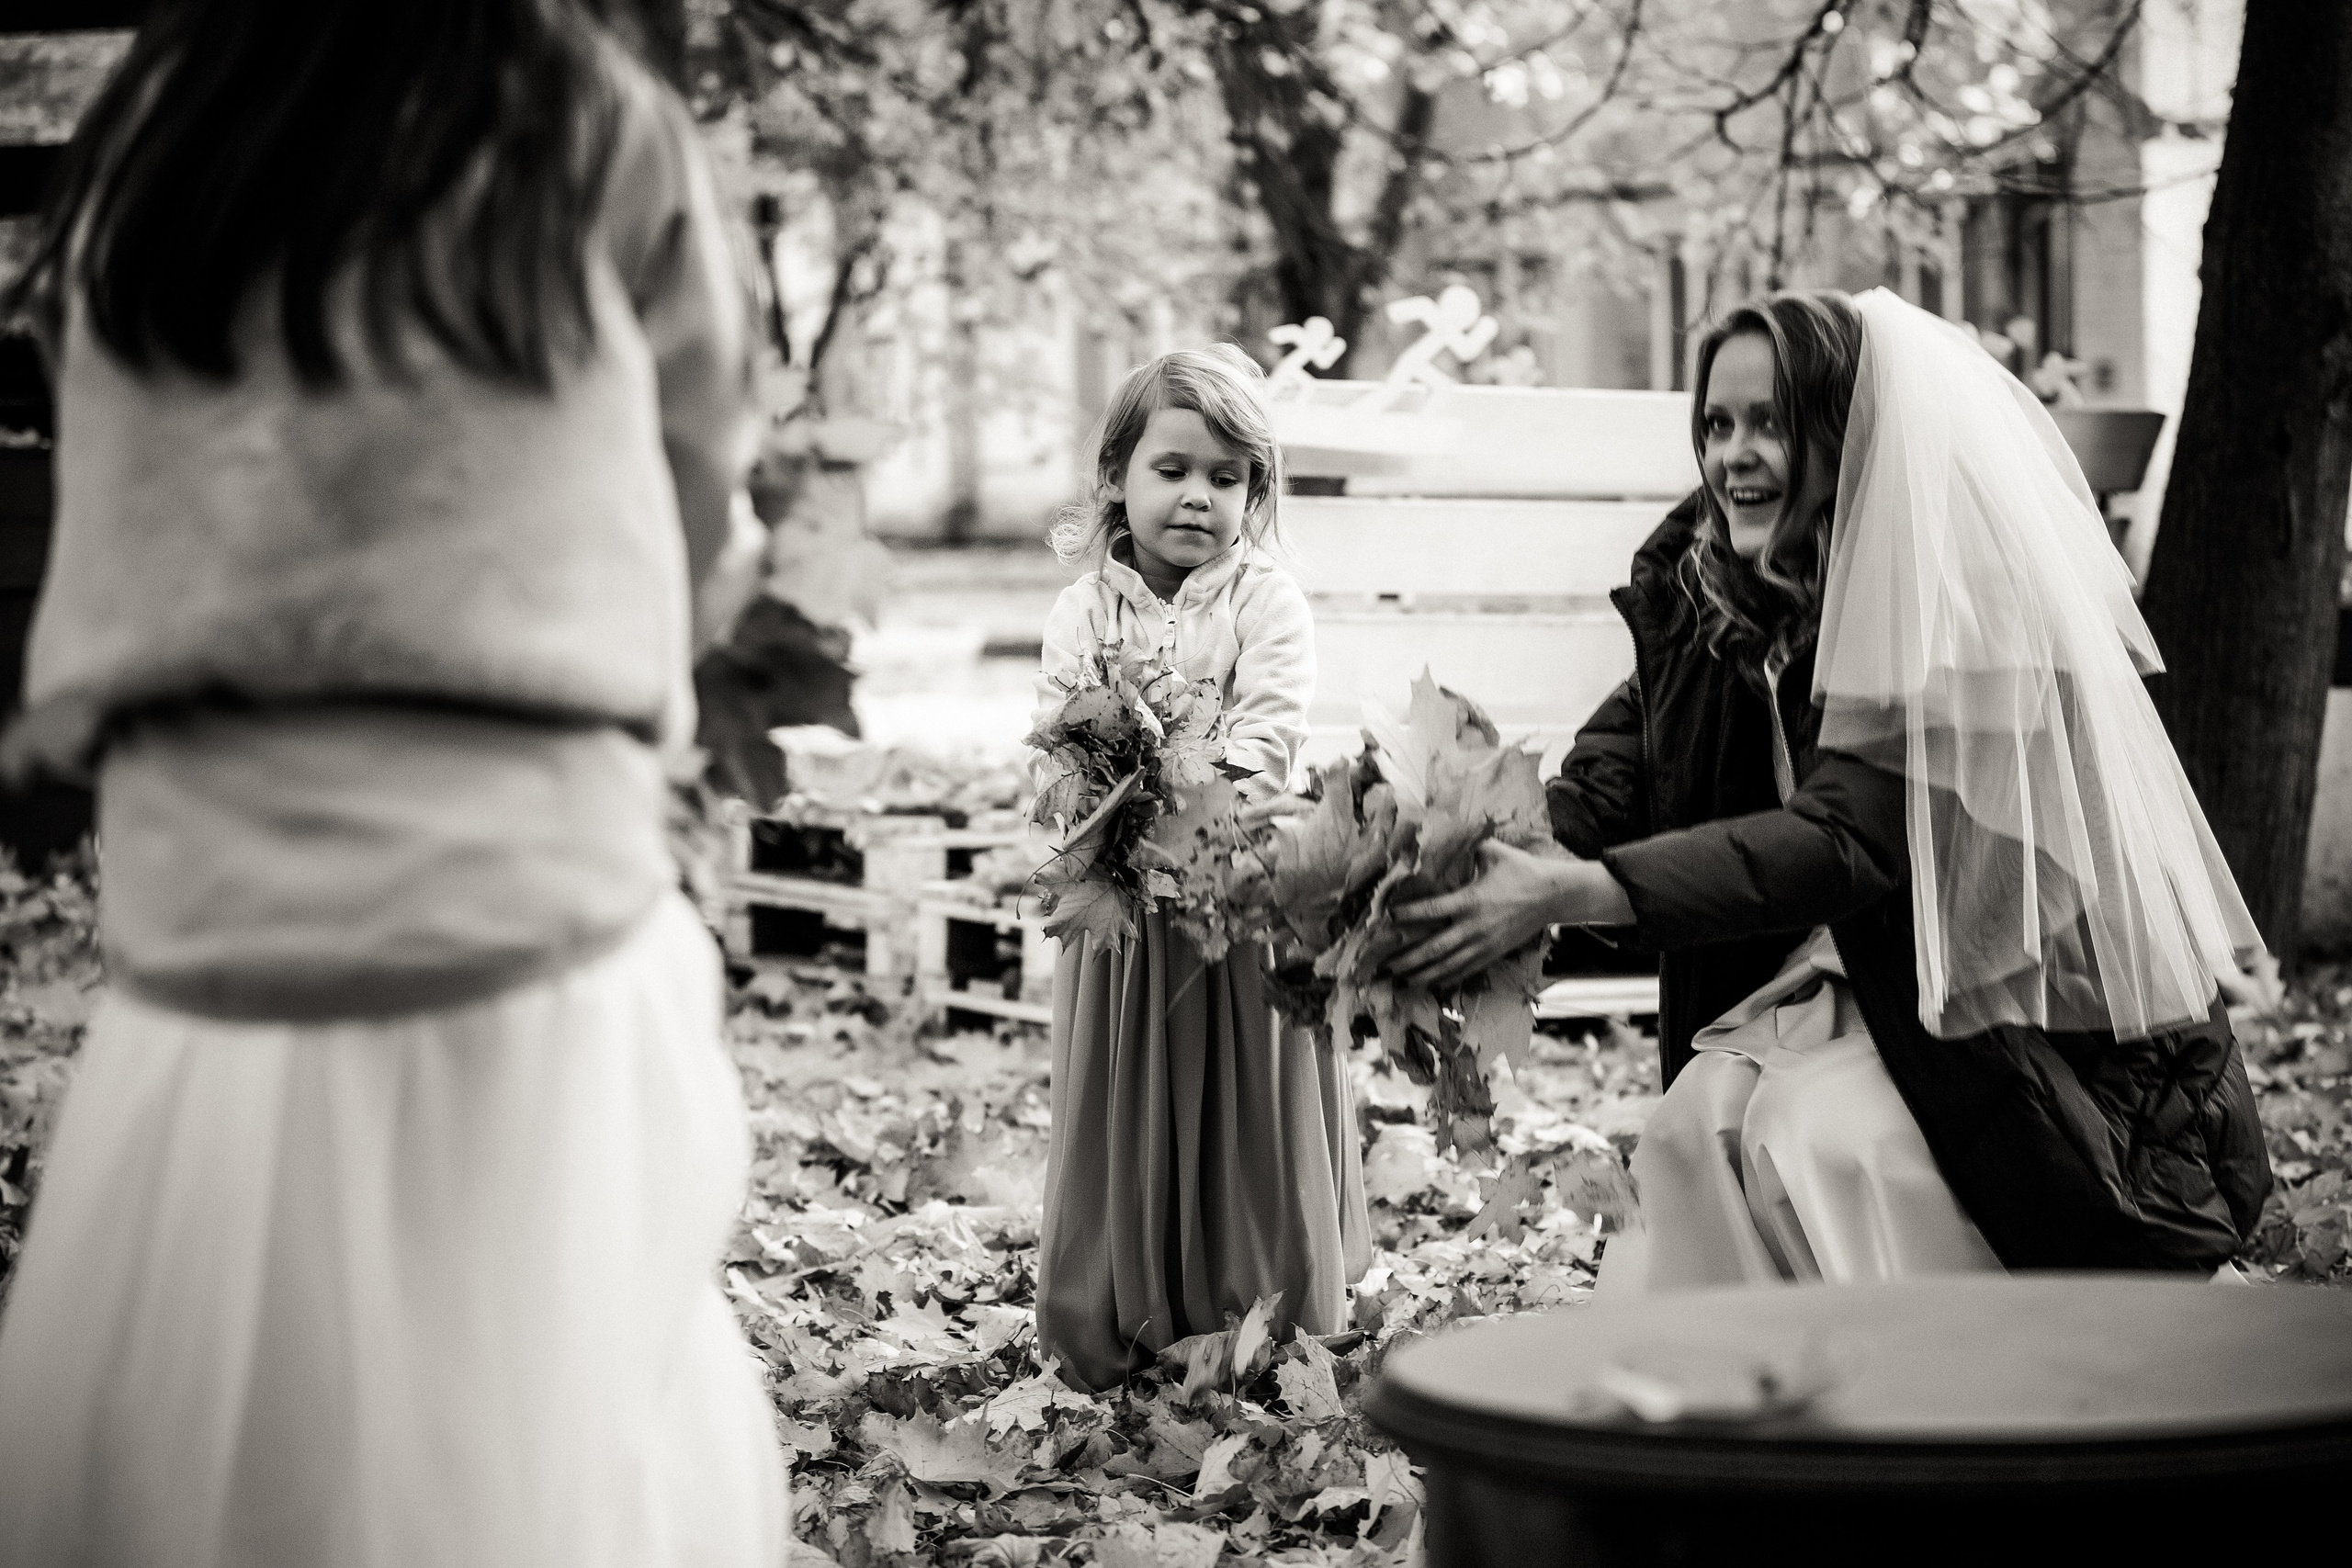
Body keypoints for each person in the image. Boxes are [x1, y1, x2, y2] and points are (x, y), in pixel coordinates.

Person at [0, 4, 787, 1563]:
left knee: (222, 1454)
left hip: (207, 940)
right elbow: (702, 487)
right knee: (558, 1433)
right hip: (530, 921)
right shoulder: (585, 119)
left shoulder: (151, 139)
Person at [1388, 288, 2273, 1287]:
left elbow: (1851, 837)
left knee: (1819, 1137)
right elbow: (1614, 779)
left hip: (2001, 1010)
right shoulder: (1707, 587)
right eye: (1716, 426)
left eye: (1771, 423)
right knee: (1686, 1130)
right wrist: (1453, 854)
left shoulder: (1960, 596)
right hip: (1828, 981)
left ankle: (1933, 1401)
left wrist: (1579, 894)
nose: (1734, 456)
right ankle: (1756, 1406)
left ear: (1845, 430)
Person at [1033, 346, 1370, 1389]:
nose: (1197, 496)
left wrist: (1188, 786)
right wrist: (1103, 797)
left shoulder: (1264, 603)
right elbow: (1061, 748)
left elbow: (1265, 740)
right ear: (1115, 480)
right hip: (1127, 902)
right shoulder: (1085, 610)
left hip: (1237, 897)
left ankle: (1254, 1295)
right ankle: (1126, 1294)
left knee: (1239, 1108)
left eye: (1227, 479)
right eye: (1172, 469)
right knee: (1134, 1092)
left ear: (1254, 496)